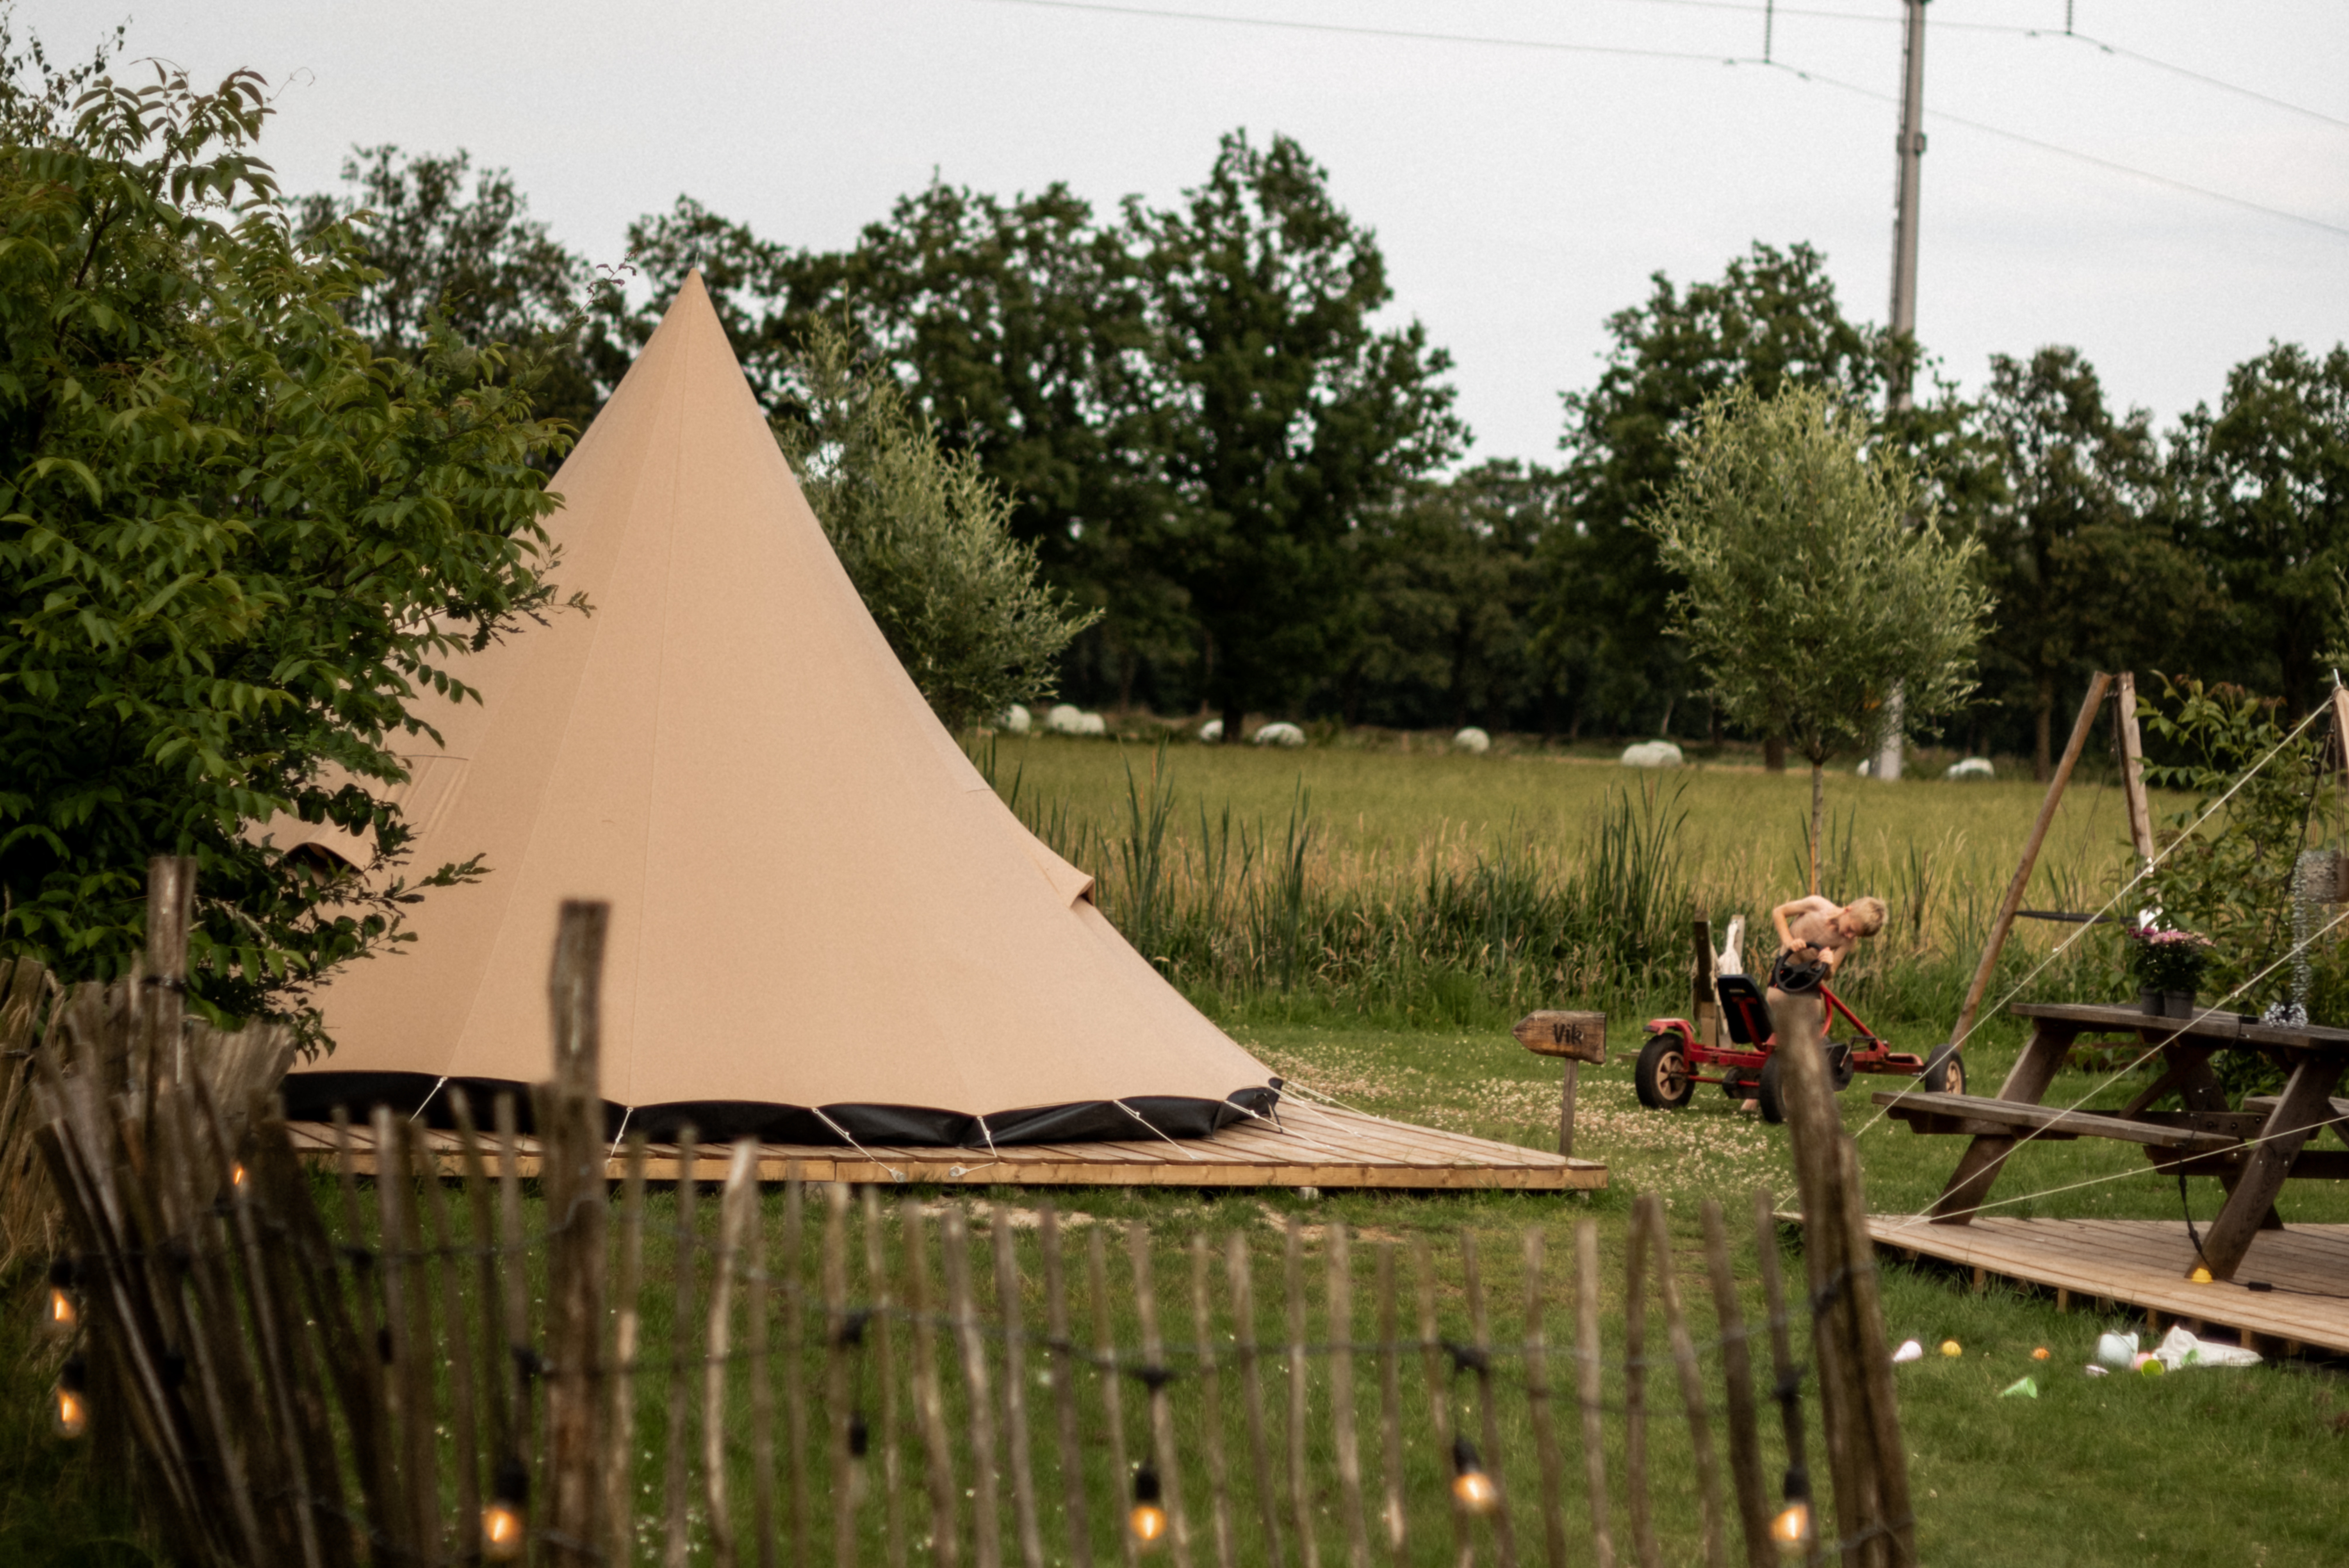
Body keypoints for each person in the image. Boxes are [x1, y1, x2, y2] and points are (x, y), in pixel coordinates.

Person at [1736, 894, 1887, 1113]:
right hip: (1785, 970)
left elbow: (1830, 974)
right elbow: (1778, 912)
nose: (1850, 935)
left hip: (1811, 978)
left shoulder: (1847, 941)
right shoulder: (1817, 905)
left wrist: (1828, 965)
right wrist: (1789, 941)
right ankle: (1754, 1094)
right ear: (1848, 911)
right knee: (1770, 1030)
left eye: (1856, 935)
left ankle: (1790, 1096)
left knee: (1809, 1035)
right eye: (1852, 929)